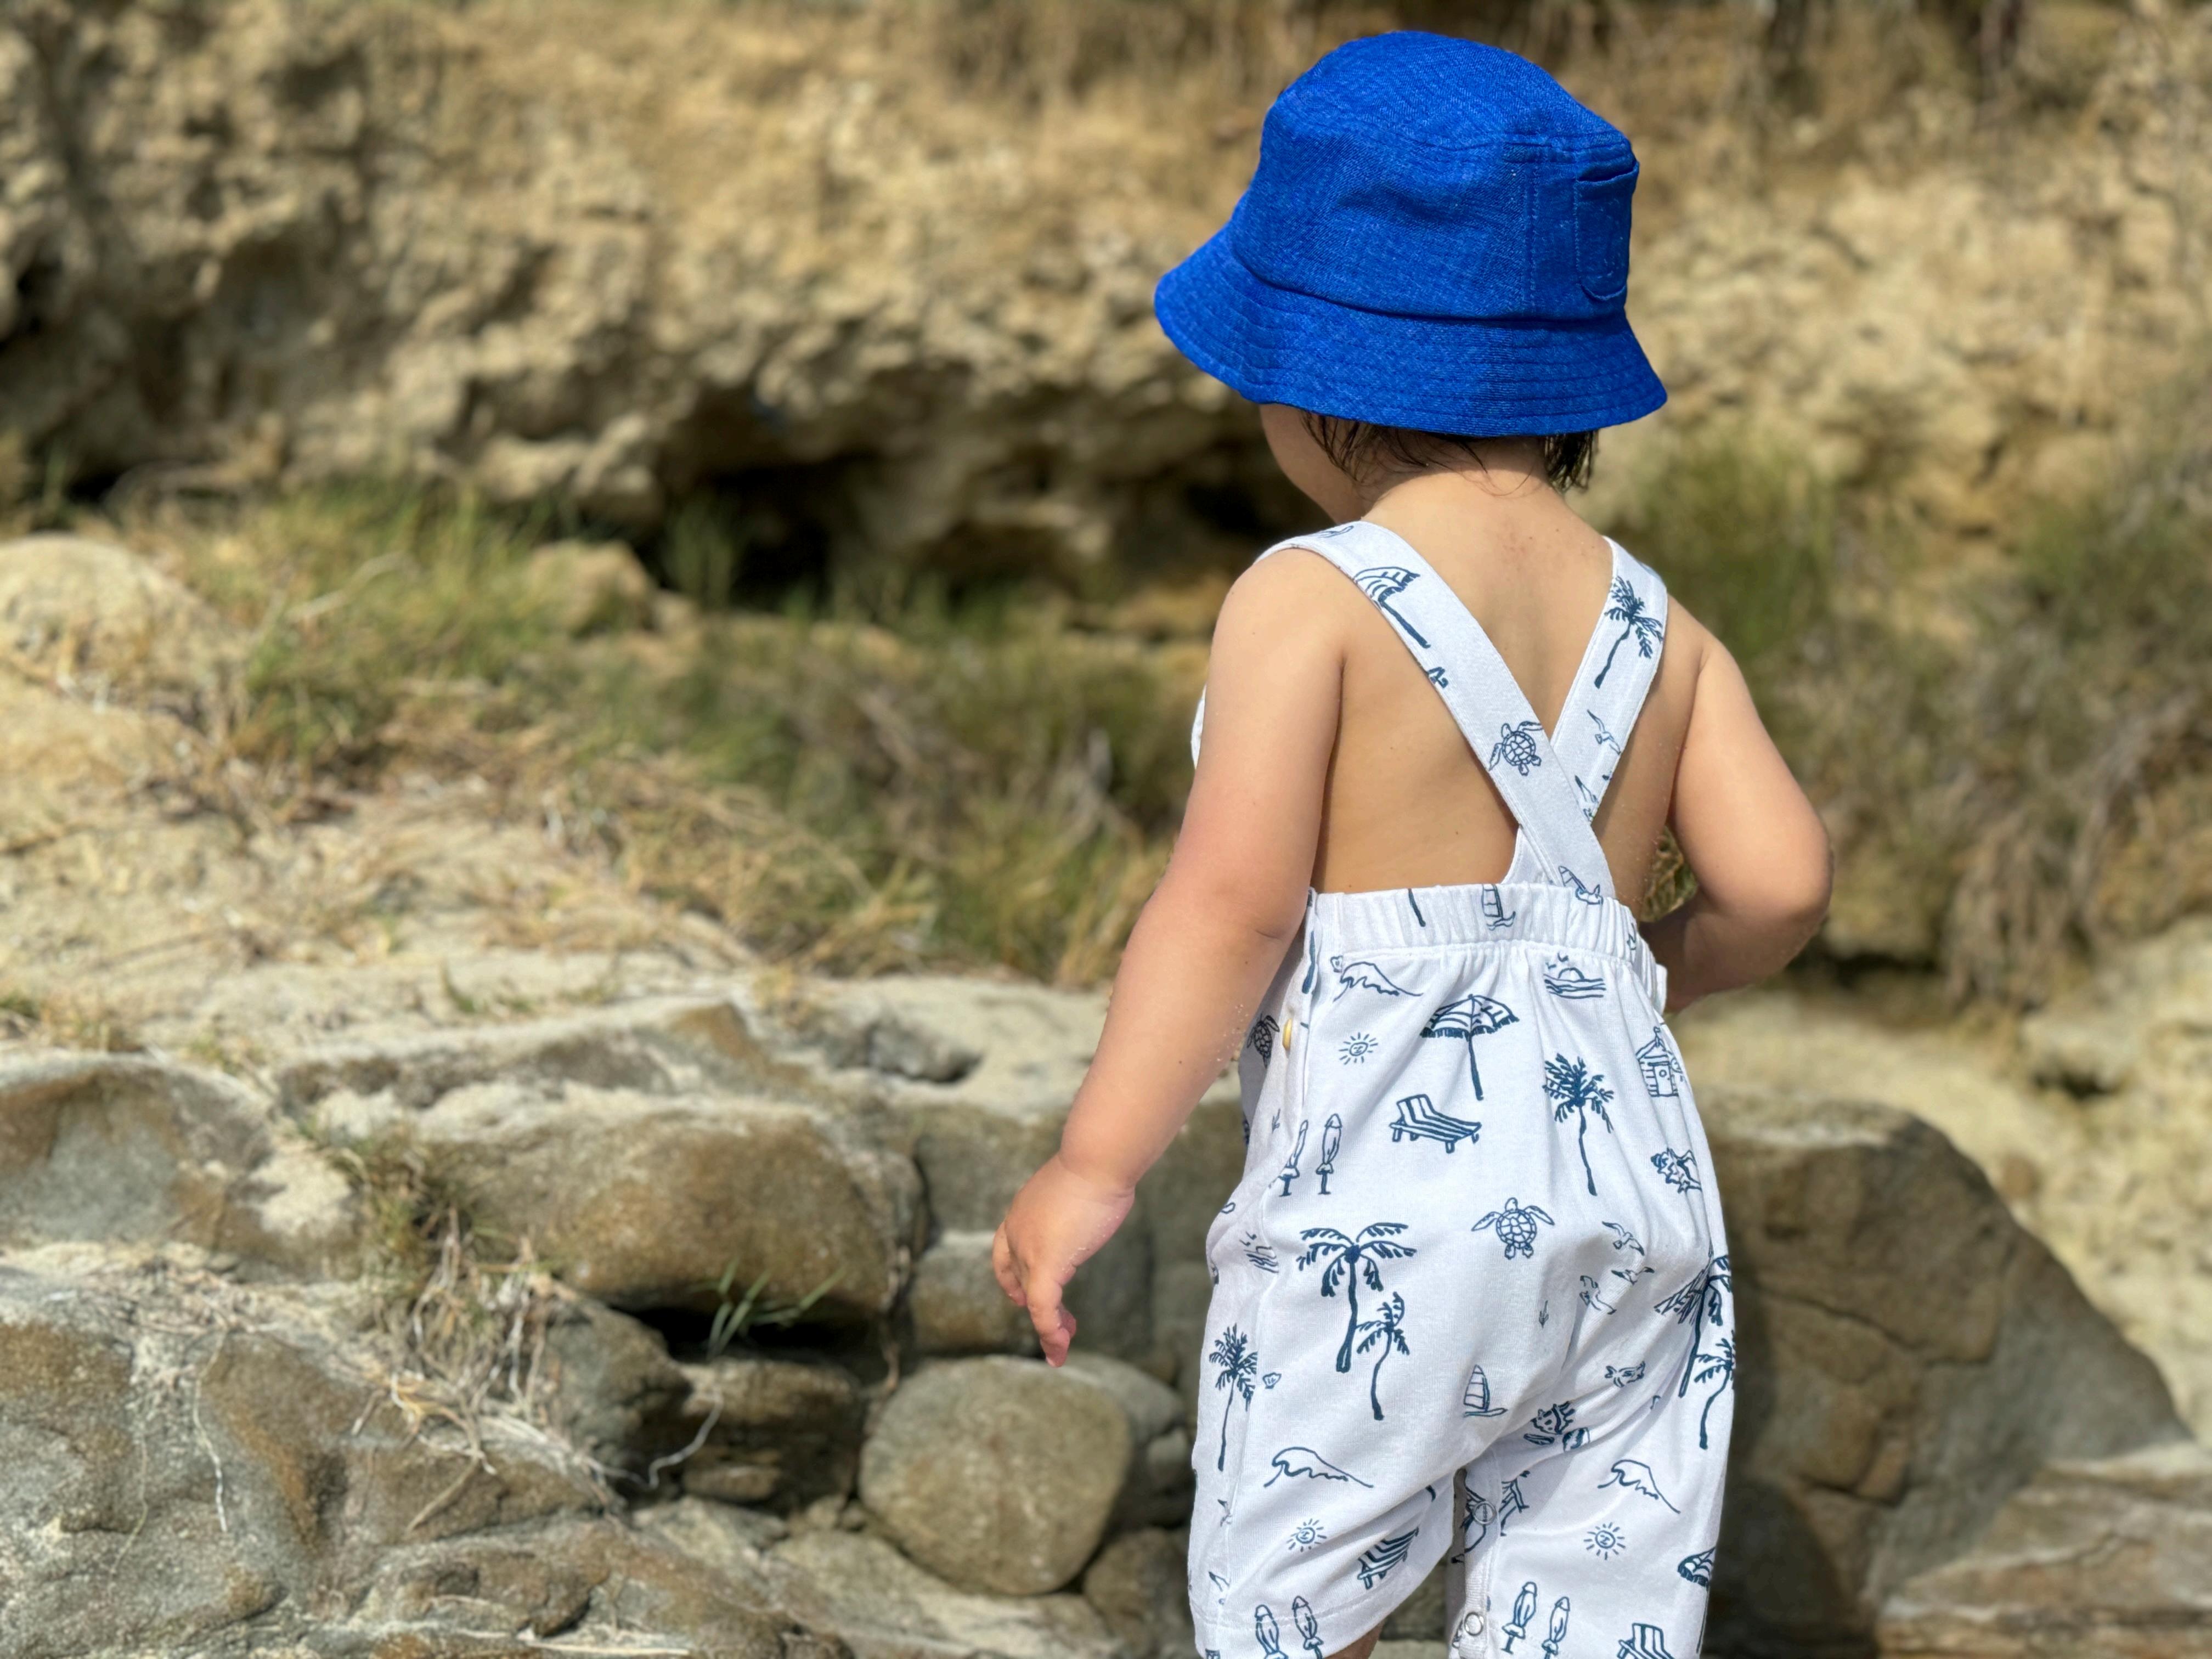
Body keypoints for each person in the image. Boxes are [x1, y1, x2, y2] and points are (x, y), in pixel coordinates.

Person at [992, 31, 1830, 1659]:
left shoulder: (1307, 599)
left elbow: (1229, 909)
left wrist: (1095, 1166)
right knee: (1583, 1608)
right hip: (1633, 1205)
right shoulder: (1661, 627)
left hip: (1387, 1207)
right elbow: (1784, 883)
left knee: (1301, 1593)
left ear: (1316, 387)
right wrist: (1637, 972)